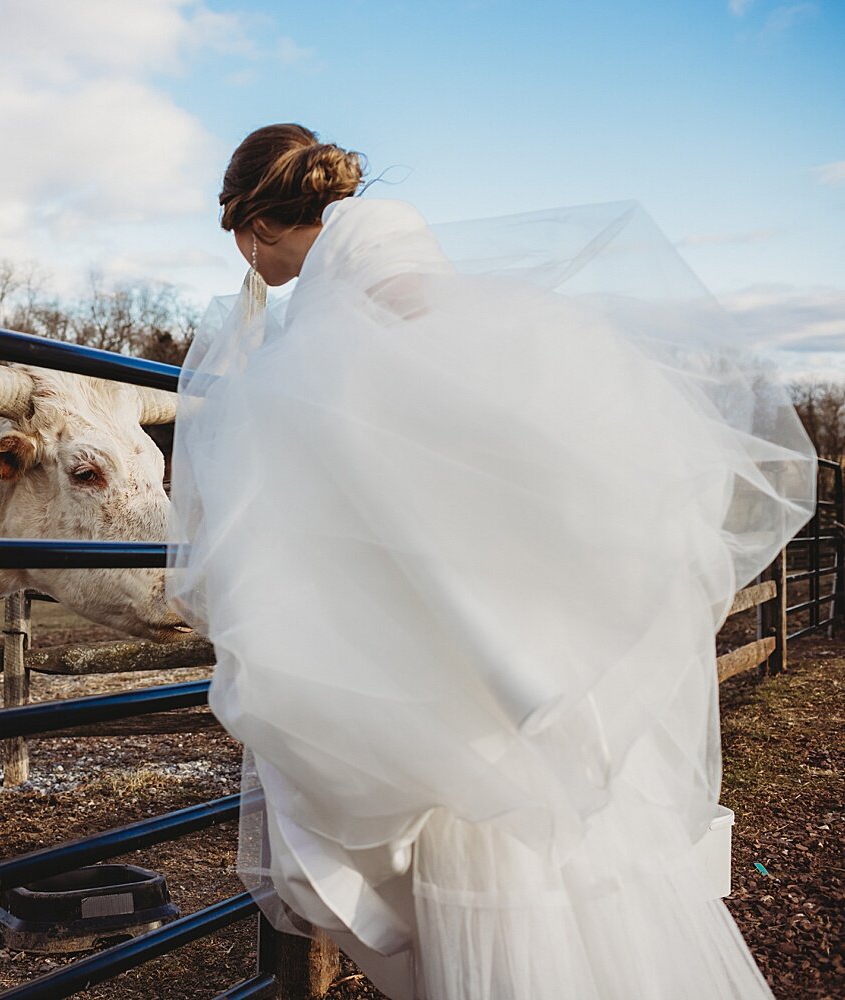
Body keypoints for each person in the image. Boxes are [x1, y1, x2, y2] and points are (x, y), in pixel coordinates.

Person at [166, 123, 816, 1000]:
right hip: (460, 600)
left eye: (244, 246)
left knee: (490, 838)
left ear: (253, 227)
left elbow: (410, 373)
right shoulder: (384, 243)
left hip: (455, 627)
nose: (253, 268)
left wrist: (286, 419)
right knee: (555, 860)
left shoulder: (362, 255)